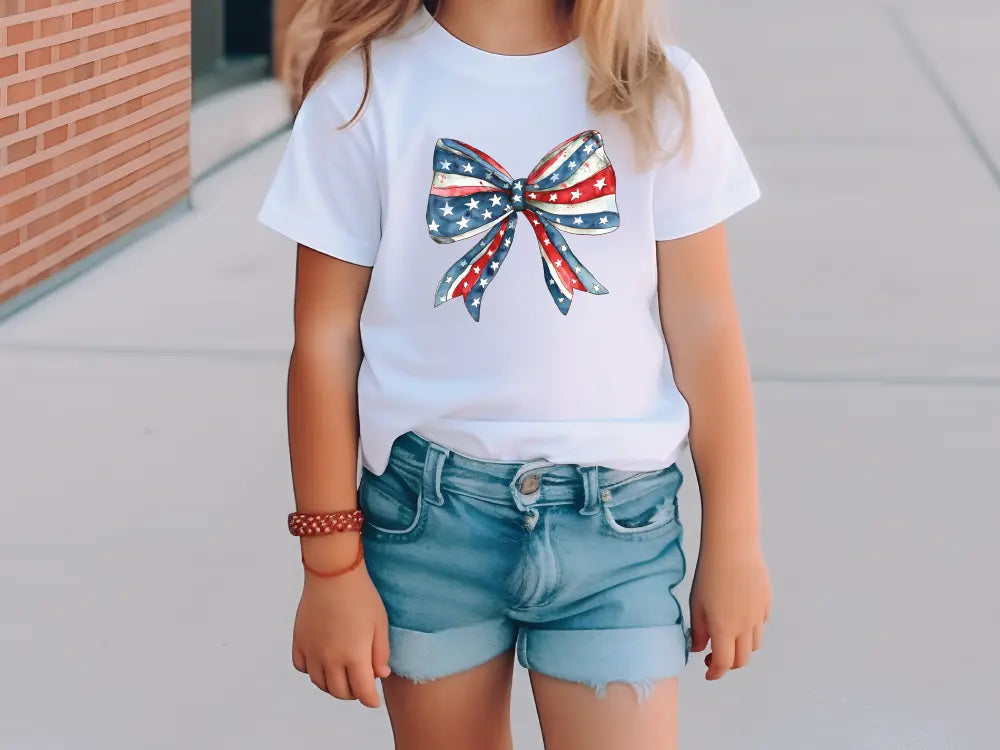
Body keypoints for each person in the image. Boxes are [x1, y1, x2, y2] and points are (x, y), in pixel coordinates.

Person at [259, 1, 771, 747]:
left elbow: (708, 331)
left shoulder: (659, 90)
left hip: (617, 532)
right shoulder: (364, 89)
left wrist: (735, 541)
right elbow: (324, 341)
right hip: (427, 526)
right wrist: (330, 568)